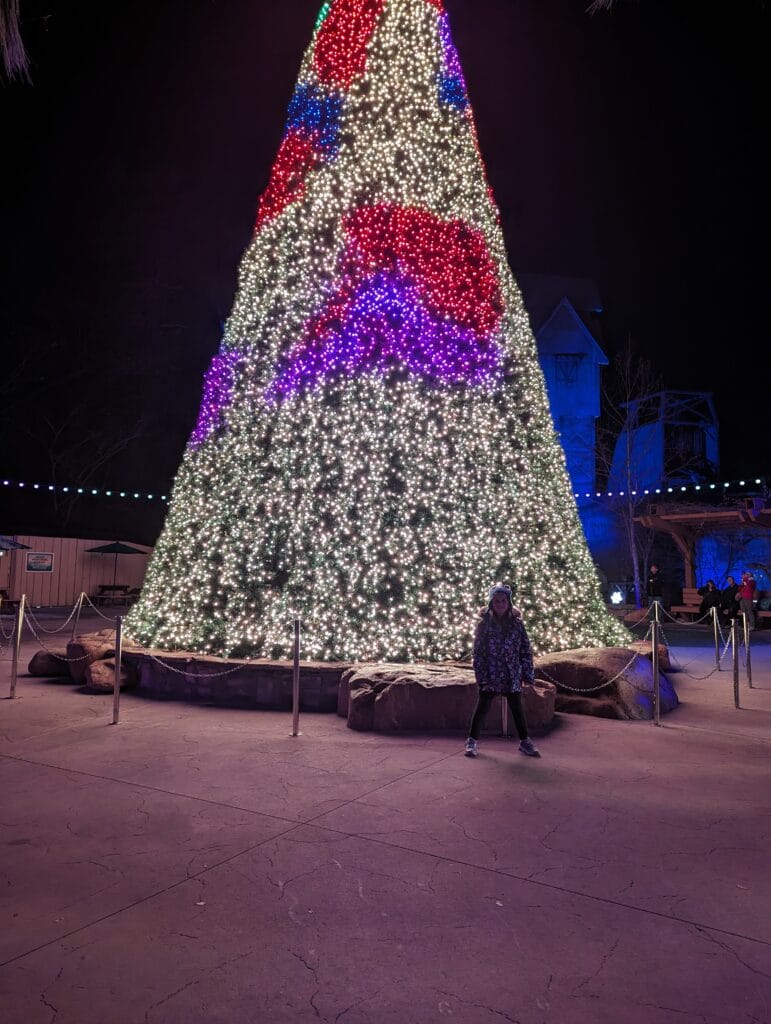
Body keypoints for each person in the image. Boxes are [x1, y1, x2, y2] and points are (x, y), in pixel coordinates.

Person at [465, 583, 540, 759]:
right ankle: (471, 740)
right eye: (497, 601)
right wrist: (481, 675)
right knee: (482, 706)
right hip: (491, 673)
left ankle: (525, 741)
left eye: (503, 601)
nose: (500, 604)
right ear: (491, 603)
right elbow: (479, 652)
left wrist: (527, 674)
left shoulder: (517, 624)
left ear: (509, 602)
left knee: (516, 707)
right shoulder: (484, 625)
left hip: (511, 672)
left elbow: (524, 650)